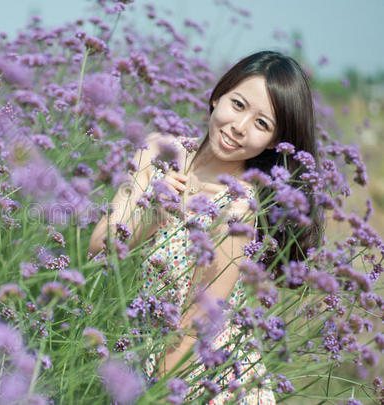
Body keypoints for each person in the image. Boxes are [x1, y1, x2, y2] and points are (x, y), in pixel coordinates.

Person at [88, 50, 323, 403]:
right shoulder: (158, 150)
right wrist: (153, 207)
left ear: (275, 142)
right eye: (238, 105)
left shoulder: (238, 210)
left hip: (197, 380)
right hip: (131, 348)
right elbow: (99, 245)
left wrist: (156, 395)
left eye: (262, 124)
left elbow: (195, 326)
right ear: (217, 97)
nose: (239, 127)